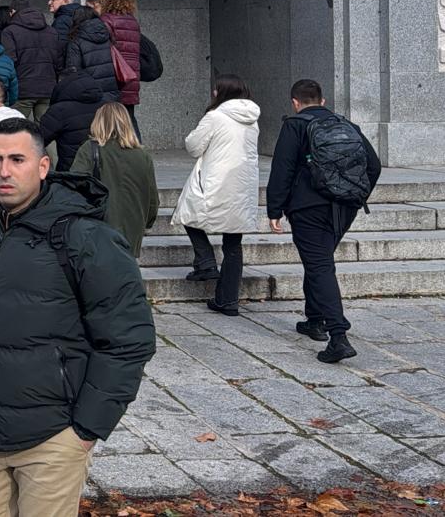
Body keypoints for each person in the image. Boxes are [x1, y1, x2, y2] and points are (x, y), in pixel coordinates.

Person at [0, 118, 154, 517]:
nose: (4, 171)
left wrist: (86, 430)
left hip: (53, 438)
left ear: (43, 166)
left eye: (17, 159)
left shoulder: (85, 237)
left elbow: (129, 339)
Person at [266, 79, 381, 364]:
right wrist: (356, 195)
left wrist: (274, 210)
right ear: (323, 101)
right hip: (344, 208)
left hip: (308, 208)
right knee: (319, 260)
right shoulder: (346, 125)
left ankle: (338, 336)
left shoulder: (294, 125)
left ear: (295, 102)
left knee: (319, 265)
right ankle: (314, 319)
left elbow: (282, 169)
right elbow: (374, 165)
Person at [171, 75, 260, 316]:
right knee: (233, 244)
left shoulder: (215, 116)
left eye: (215, 89)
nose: (213, 93)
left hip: (215, 183)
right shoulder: (252, 120)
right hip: (242, 187)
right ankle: (227, 300)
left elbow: (193, 147)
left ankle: (206, 262)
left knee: (186, 214)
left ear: (221, 92)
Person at [71, 103, 158, 258]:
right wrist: (146, 224)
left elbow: (74, 188)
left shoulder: (89, 149)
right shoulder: (143, 155)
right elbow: (152, 199)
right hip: (132, 232)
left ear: (98, 122)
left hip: (98, 230)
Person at [0, 0, 59, 126]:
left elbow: (10, 61)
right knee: (44, 129)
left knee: (14, 128)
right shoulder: (51, 31)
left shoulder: (10, 31)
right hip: (48, 88)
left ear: (13, 11)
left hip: (23, 88)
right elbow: (57, 60)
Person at [40, 70, 114, 173]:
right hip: (106, 171)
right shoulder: (108, 106)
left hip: (71, 173)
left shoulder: (60, 110)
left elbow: (38, 140)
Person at [99, 0, 143, 128]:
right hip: (131, 76)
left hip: (115, 77)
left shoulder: (107, 20)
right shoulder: (132, 21)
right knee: (129, 120)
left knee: (110, 122)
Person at [60, 6, 120, 102]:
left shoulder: (76, 40)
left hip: (90, 93)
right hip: (112, 92)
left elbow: (73, 70)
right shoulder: (107, 35)